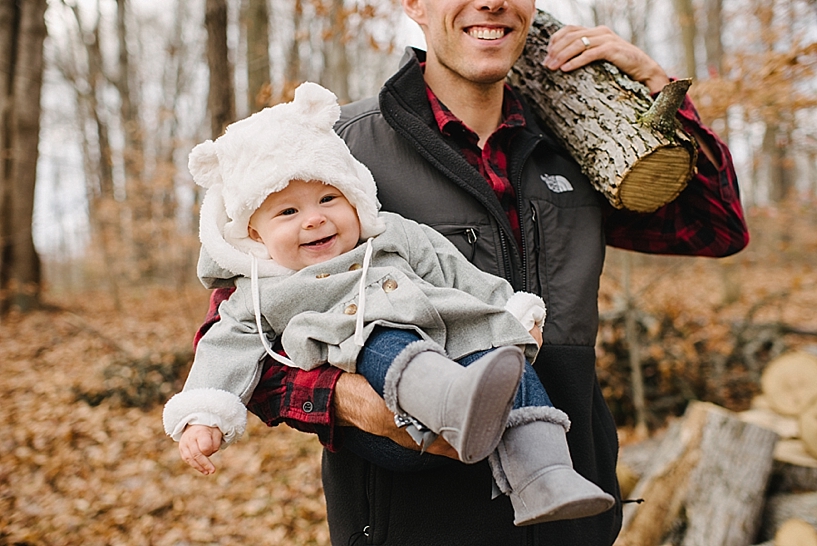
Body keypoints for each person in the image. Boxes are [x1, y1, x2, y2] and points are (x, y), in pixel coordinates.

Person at [197, 1, 750, 544]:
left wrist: (656, 93)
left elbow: (717, 227)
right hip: (414, 520)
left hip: (572, 506)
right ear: (413, 4)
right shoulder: (336, 154)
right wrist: (344, 397)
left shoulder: (580, 144)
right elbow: (240, 325)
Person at [163, 82, 615, 526]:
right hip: (395, 429)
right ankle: (452, 401)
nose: (315, 218)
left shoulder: (391, 234)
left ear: (354, 197)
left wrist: (510, 312)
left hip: (458, 342)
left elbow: (454, 270)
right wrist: (206, 416)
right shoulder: (259, 291)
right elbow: (222, 348)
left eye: (328, 198)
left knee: (508, 364)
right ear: (255, 235)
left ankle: (548, 477)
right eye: (288, 212)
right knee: (381, 337)